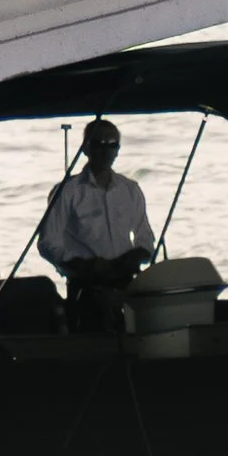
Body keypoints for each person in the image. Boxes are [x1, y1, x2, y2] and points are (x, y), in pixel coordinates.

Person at [37, 120, 155, 330]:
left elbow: (144, 236)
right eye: (99, 142)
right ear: (85, 148)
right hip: (86, 285)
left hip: (126, 282)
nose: (106, 149)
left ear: (118, 150)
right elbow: (47, 243)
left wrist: (137, 255)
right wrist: (82, 264)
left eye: (112, 144)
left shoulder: (131, 189)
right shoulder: (67, 191)